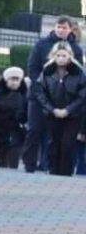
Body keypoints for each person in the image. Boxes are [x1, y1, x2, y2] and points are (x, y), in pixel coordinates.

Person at [23, 17, 83, 172]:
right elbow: (33, 68)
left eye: (64, 27)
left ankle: (48, 165)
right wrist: (42, 89)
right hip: (39, 96)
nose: (61, 30)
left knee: (56, 137)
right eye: (58, 27)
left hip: (62, 99)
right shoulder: (41, 44)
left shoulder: (76, 49)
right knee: (34, 130)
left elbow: (78, 74)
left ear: (70, 29)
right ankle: (29, 165)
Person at [32, 41, 86, 176]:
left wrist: (68, 110)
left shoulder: (79, 73)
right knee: (53, 145)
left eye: (64, 55)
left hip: (73, 116)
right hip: (52, 114)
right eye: (58, 55)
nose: (61, 58)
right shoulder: (47, 72)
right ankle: (53, 172)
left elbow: (82, 95)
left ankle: (66, 174)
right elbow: (40, 92)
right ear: (53, 56)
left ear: (70, 56)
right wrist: (52, 109)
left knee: (67, 145)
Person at [0, 67, 29, 169]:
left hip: (17, 129)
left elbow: (27, 111)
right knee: (2, 155)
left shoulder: (24, 94)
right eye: (12, 79)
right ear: (6, 80)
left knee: (14, 154)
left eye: (17, 80)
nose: (14, 82)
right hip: (0, 129)